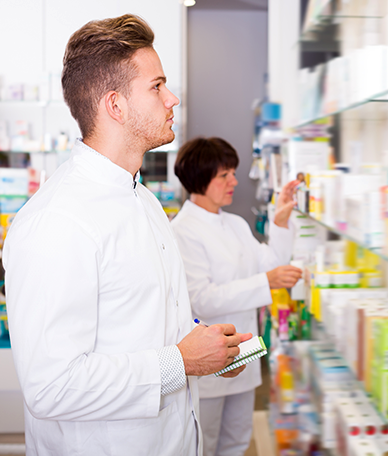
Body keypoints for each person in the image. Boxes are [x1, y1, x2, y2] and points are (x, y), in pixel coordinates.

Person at [2, 15, 250, 456]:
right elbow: (51, 387)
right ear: (115, 105)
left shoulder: (145, 201)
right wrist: (182, 362)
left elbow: (144, 319)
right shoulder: (56, 222)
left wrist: (206, 349)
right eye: (156, 87)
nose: (172, 98)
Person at [171, 137, 302, 456]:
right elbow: (202, 299)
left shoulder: (235, 223)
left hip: (244, 350)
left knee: (238, 442)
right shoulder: (183, 230)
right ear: (200, 180)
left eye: (233, 172)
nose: (235, 181)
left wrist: (281, 222)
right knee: (206, 442)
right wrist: (264, 282)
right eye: (225, 175)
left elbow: (271, 263)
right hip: (210, 355)